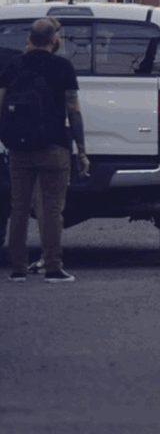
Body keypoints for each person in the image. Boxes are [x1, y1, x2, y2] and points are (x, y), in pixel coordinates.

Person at [3, 19, 90, 283]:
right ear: (53, 40)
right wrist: (82, 150)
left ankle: (18, 268)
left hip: (19, 148)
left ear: (30, 39)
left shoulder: (13, 65)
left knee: (18, 208)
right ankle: (53, 267)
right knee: (51, 209)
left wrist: (7, 138)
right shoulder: (62, 66)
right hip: (54, 147)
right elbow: (73, 110)